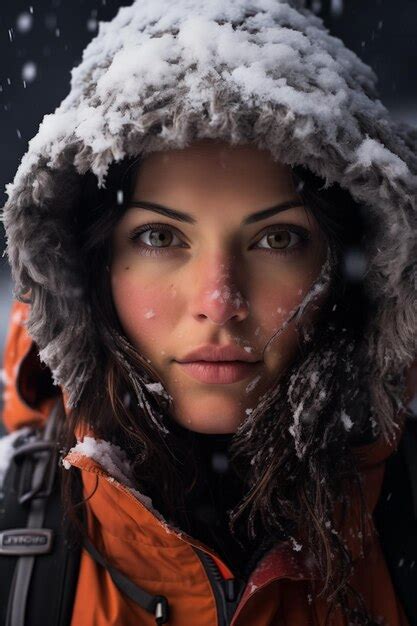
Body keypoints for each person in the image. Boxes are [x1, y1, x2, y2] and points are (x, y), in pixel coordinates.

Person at [1, 0, 416, 624]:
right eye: (160, 238)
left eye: (276, 239)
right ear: (89, 268)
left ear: (353, 266)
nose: (220, 303)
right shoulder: (13, 541)